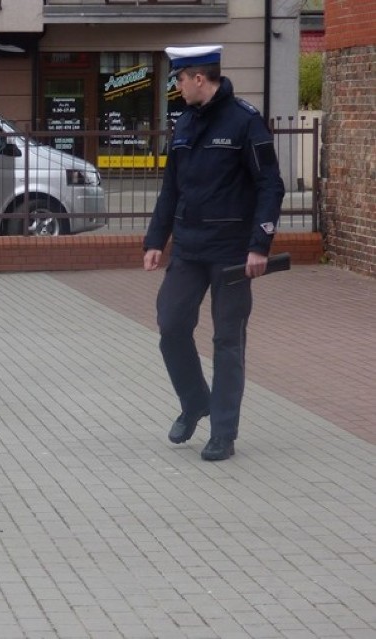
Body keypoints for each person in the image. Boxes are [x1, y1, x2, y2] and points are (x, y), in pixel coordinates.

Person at [142, 45, 285, 461]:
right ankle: (195, 402)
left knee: (227, 341)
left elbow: (270, 185)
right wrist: (156, 240)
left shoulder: (245, 121)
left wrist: (260, 244)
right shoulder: (184, 124)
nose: (177, 87)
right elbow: (171, 188)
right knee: (170, 325)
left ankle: (223, 432)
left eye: (179, 80)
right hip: (188, 248)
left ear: (198, 78)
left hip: (232, 253)